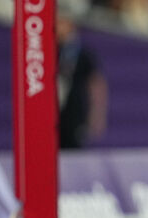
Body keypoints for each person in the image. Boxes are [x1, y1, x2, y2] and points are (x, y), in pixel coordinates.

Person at [57, 9, 108, 149]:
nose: (57, 27)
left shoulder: (82, 54)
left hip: (75, 113)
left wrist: (96, 116)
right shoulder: (51, 51)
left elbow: (96, 84)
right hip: (55, 113)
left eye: (62, 23)